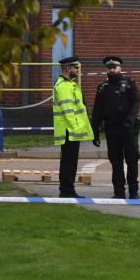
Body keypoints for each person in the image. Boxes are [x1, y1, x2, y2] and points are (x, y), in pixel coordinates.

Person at [91, 56, 140, 199]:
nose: (111, 70)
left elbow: (136, 102)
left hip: (128, 129)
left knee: (132, 160)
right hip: (112, 129)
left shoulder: (130, 84)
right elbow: (97, 111)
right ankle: (118, 192)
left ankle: (133, 191)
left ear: (120, 68)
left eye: (114, 67)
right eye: (109, 68)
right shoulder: (103, 88)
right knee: (116, 161)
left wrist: (130, 121)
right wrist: (95, 132)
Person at [53, 56, 93, 198]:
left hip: (70, 130)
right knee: (69, 163)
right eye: (76, 68)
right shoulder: (64, 86)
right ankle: (67, 191)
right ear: (68, 68)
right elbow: (68, 110)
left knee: (69, 162)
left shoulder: (69, 85)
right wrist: (75, 128)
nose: (78, 70)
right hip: (69, 131)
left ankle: (67, 190)